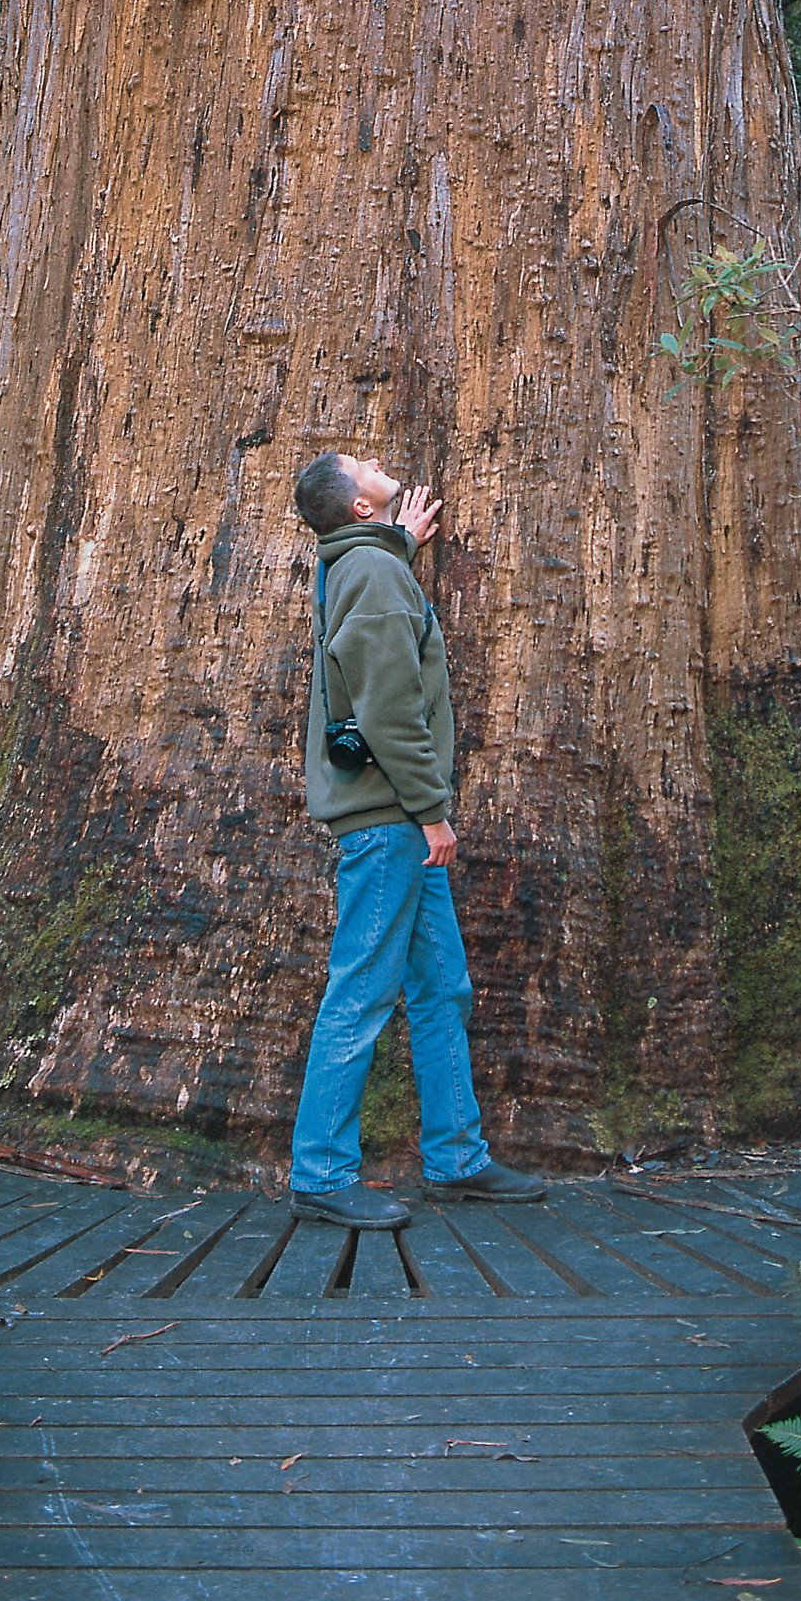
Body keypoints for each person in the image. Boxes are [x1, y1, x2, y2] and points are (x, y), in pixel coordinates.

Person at [285, 449, 548, 1230]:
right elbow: (390, 708)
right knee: (361, 991)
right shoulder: (371, 576)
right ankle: (321, 1173)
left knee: (441, 987)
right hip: (391, 821)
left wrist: (399, 544)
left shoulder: (365, 563)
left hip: (397, 819)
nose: (375, 459)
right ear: (360, 508)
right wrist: (432, 811)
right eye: (360, 463)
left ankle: (457, 1158)